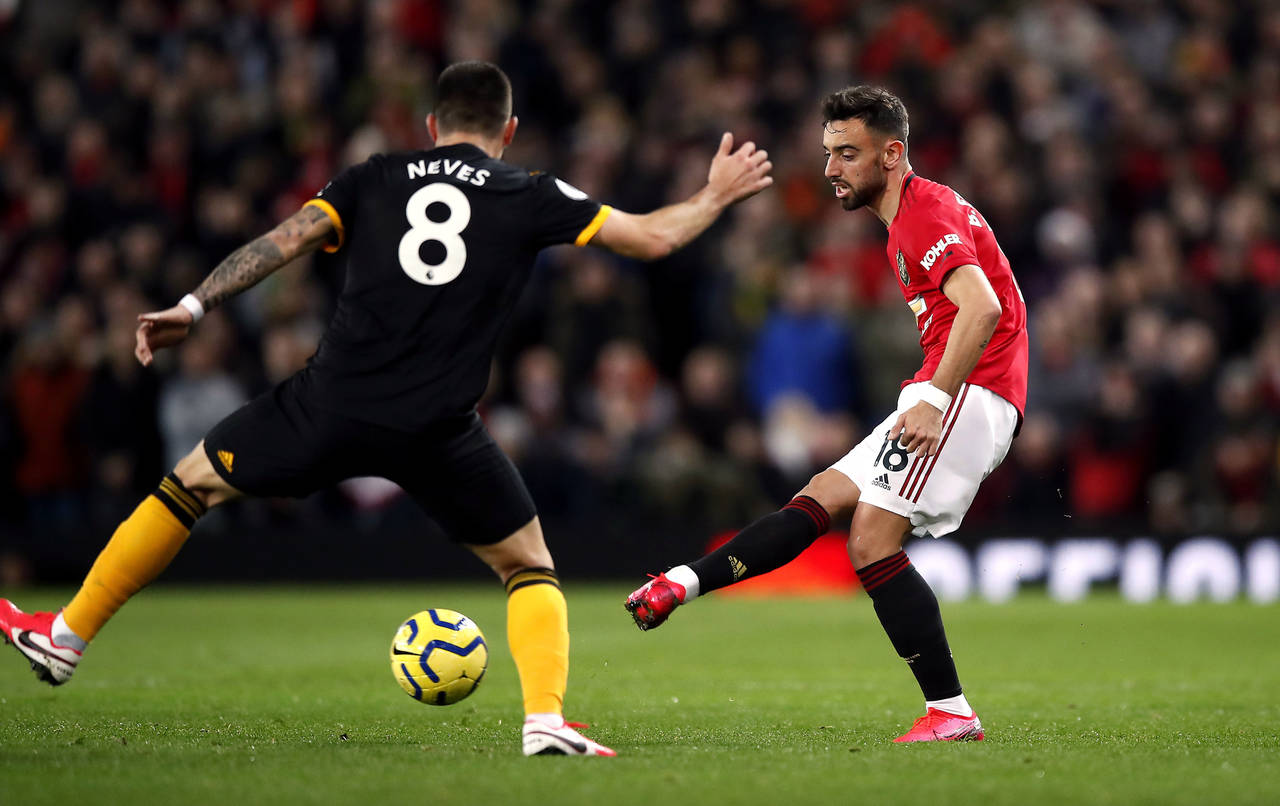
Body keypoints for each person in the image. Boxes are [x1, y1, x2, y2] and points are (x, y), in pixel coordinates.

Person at [0, 61, 772, 758]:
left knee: (189, 486)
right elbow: (651, 240)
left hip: (330, 402)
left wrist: (193, 307)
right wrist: (716, 194)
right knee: (528, 566)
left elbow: (283, 241)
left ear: (430, 126)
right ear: (505, 131)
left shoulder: (374, 176)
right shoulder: (528, 190)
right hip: (439, 425)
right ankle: (545, 721)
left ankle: (66, 637)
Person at [626, 85, 1028, 743]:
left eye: (846, 153)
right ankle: (679, 584)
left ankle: (952, 713)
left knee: (870, 540)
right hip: (948, 389)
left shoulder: (922, 215)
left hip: (967, 393)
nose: (830, 169)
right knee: (818, 499)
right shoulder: (915, 215)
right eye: (827, 152)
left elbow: (982, 309)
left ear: (892, 154)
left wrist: (931, 401)